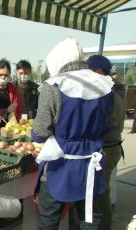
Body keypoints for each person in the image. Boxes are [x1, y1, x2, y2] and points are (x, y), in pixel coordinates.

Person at [32, 37, 116, 230]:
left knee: (49, 220)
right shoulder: (105, 85)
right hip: (91, 166)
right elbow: (110, 125)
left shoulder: (54, 86)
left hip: (60, 166)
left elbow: (40, 132)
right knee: (89, 219)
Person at [85, 55, 126, 230]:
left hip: (107, 149)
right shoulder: (115, 90)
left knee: (101, 192)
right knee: (101, 191)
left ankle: (103, 226)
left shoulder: (108, 94)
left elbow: (105, 123)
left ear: (99, 72)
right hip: (111, 147)